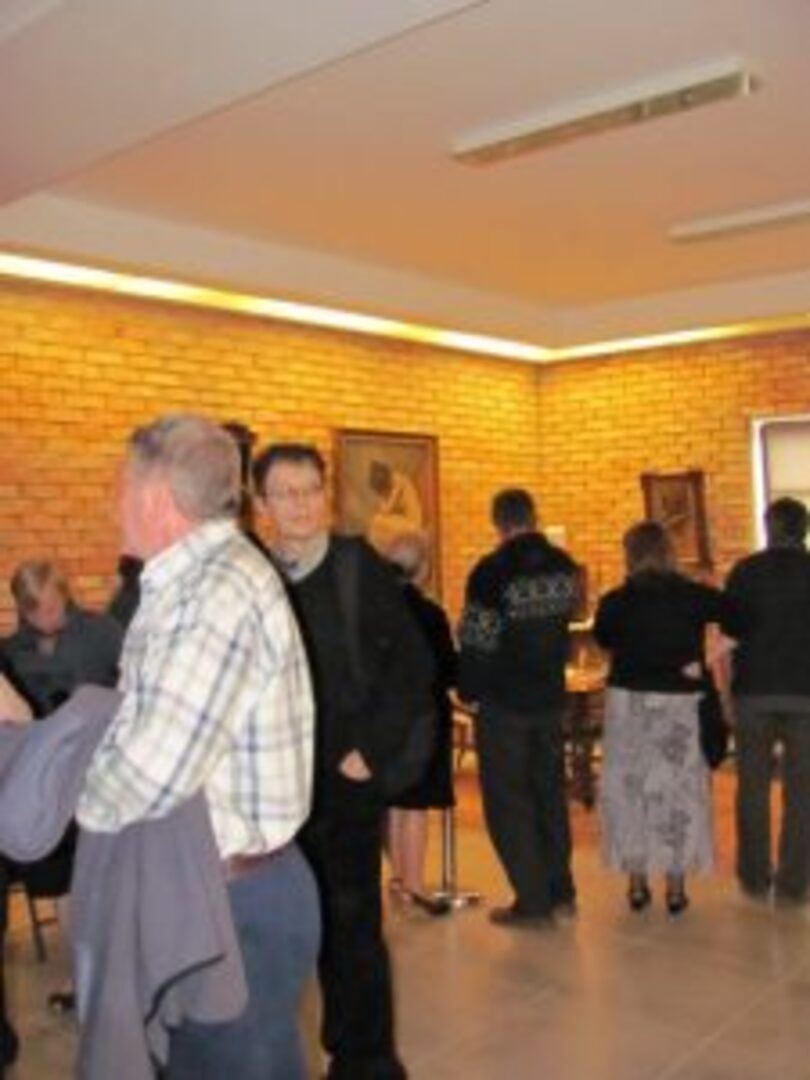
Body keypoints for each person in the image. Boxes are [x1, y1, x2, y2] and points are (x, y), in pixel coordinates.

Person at [76, 414, 319, 1079]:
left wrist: (50, 783)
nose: (113, 504)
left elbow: (145, 775)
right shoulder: (190, 582)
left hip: (236, 909)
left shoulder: (215, 594)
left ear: (156, 498)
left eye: (121, 487)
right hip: (217, 890)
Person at [253, 442, 435, 1080]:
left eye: (311, 490)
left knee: (350, 925)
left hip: (343, 783)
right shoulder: (256, 576)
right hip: (274, 784)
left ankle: (366, 1061)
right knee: (281, 926)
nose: (302, 505)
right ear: (262, 503)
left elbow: (413, 668)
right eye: (286, 493)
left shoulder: (357, 567)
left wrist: (370, 753)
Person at [594, 521, 740, 915]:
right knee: (677, 796)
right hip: (679, 704)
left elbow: (604, 639)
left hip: (629, 704)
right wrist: (706, 658)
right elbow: (742, 616)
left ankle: (637, 885)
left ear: (630, 555)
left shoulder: (615, 601)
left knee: (632, 795)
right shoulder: (692, 595)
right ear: (668, 553)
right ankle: (675, 889)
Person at [2, 560, 123, 1012]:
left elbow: (134, 686)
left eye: (54, 606)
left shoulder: (102, 632)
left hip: (102, 775)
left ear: (65, 595)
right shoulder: (11, 651)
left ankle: (114, 971)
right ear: (22, 608)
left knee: (109, 878)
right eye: (37, 611)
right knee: (68, 882)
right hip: (50, 787)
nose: (48, 617)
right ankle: (81, 977)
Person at [458, 488, 580, 927]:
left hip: (504, 703)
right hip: (550, 699)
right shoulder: (564, 565)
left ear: (498, 523)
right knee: (549, 794)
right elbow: (567, 623)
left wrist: (467, 688)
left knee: (510, 802)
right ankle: (561, 891)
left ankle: (532, 900)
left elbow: (477, 639)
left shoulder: (491, 572)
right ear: (533, 516)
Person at [725, 497, 810, 905]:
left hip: (754, 693)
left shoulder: (745, 571)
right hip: (806, 696)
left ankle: (754, 878)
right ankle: (793, 884)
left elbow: (729, 632)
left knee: (752, 789)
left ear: (769, 527)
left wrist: (725, 693)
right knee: (803, 794)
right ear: (804, 530)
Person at [385, 532, 456, 914]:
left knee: (394, 802)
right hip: (422, 719)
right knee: (415, 804)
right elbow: (447, 671)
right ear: (424, 569)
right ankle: (413, 885)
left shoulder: (374, 610)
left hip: (384, 719)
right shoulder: (429, 615)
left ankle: (398, 880)